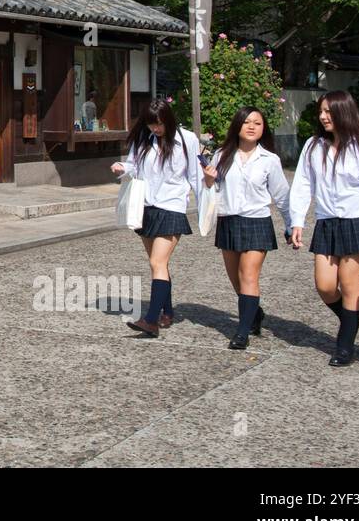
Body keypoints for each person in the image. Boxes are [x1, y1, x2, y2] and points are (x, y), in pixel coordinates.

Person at [288, 90, 359, 367]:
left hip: (357, 223)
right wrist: (296, 220)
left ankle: (344, 346)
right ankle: (350, 319)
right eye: (321, 111)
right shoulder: (313, 146)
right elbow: (302, 185)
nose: (322, 117)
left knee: (349, 284)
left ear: (344, 112)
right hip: (326, 223)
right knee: (324, 286)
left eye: (329, 112)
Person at [111, 98, 206, 337]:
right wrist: (122, 167)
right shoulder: (144, 138)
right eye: (151, 124)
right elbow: (133, 166)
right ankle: (168, 311)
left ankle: (151, 321)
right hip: (146, 206)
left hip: (172, 206)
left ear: (169, 120)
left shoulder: (187, 140)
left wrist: (205, 210)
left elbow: (195, 176)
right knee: (159, 264)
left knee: (157, 262)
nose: (155, 129)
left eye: (160, 124)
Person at [202, 107, 292, 350]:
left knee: (249, 276)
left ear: (264, 129)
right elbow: (210, 190)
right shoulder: (221, 154)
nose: (252, 126)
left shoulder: (269, 160)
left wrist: (291, 224)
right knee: (237, 281)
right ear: (238, 126)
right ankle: (255, 313)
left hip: (256, 221)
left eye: (258, 123)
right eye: (247, 122)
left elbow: (282, 195)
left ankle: (242, 333)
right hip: (229, 221)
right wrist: (208, 179)